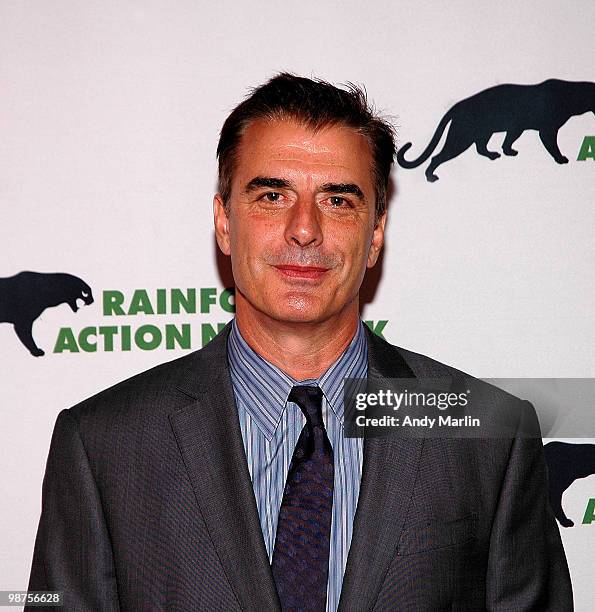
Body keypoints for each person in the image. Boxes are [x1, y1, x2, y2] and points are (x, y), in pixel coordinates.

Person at [27, 73, 572, 611]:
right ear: (223, 221)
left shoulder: (488, 435)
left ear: (375, 233)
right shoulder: (103, 443)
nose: (305, 229)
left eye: (338, 201)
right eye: (271, 195)